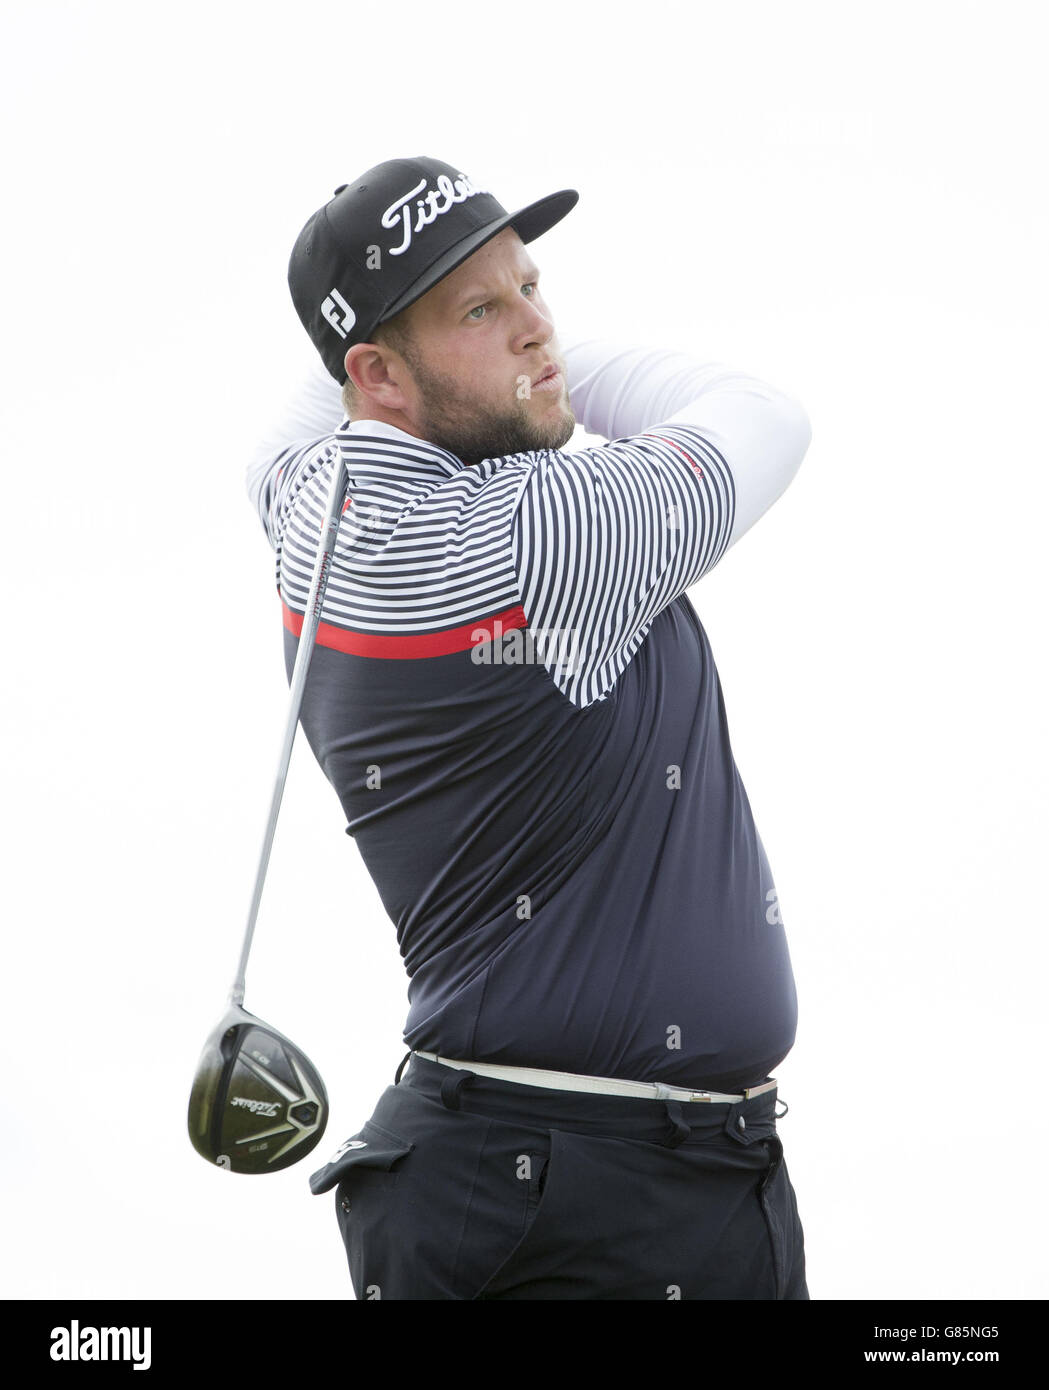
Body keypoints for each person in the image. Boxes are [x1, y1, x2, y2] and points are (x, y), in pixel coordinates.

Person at [246, 155, 813, 1300]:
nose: (535, 327)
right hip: (579, 1197)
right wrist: (551, 381)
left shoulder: (308, 500)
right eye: (481, 308)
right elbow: (764, 416)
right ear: (381, 375)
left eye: (532, 287)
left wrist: (488, 361)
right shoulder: (544, 536)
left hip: (524, 1174)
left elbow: (309, 408)